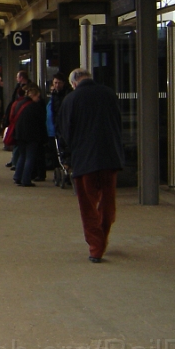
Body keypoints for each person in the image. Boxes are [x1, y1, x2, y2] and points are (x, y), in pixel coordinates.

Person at [58, 68, 124, 263]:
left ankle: (96, 247)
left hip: (84, 159)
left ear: (74, 83)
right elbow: (118, 123)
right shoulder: (109, 94)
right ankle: (103, 237)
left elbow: (65, 132)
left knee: (88, 206)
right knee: (107, 202)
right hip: (109, 157)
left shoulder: (71, 99)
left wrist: (69, 157)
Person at [12, 84, 47, 186]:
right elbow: (41, 121)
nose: (38, 99)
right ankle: (26, 179)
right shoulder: (35, 106)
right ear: (33, 95)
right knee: (30, 157)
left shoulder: (19, 104)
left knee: (22, 155)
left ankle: (17, 176)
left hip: (19, 134)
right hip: (32, 135)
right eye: (37, 96)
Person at [44, 72, 68, 180]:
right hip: (55, 127)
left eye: (59, 83)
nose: (57, 85)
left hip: (62, 127)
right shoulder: (54, 96)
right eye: (55, 83)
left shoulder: (65, 96)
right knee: (56, 150)